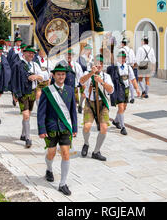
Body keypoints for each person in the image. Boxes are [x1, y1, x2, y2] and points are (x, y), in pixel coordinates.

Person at [37, 64, 78, 196]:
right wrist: (42, 129)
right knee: (52, 153)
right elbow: (41, 112)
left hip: (65, 127)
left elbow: (73, 111)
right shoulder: (47, 91)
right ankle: (49, 169)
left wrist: (75, 128)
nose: (61, 77)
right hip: (51, 127)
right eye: (58, 74)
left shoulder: (70, 90)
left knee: (66, 153)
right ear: (53, 76)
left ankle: (63, 183)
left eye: (63, 74)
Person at [79, 55, 114, 161]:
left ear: (102, 65)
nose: (98, 65)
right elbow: (81, 81)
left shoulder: (106, 76)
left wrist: (102, 82)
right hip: (90, 103)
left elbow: (111, 90)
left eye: (100, 64)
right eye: (96, 63)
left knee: (104, 128)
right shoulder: (87, 73)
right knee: (86, 127)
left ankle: (96, 151)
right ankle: (86, 143)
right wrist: (91, 73)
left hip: (102, 104)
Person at [10, 45, 46, 147]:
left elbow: (43, 76)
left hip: (33, 92)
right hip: (22, 93)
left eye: (32, 53)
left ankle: (23, 134)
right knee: (26, 115)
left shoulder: (35, 65)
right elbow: (13, 80)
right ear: (24, 53)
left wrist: (37, 76)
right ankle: (28, 138)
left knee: (28, 115)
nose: (31, 55)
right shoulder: (18, 65)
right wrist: (14, 94)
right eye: (29, 53)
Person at [108, 51, 141, 135]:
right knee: (121, 107)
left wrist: (137, 89)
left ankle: (115, 121)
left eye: (124, 57)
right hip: (118, 89)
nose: (122, 59)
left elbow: (133, 79)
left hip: (126, 89)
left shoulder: (128, 67)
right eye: (121, 57)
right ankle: (123, 127)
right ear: (118, 58)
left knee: (124, 107)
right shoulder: (114, 68)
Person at [120, 38, 137, 104]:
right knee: (131, 82)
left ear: (122, 43)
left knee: (123, 82)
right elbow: (134, 61)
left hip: (123, 67)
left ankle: (124, 97)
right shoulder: (131, 50)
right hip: (130, 67)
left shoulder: (121, 50)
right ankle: (132, 97)